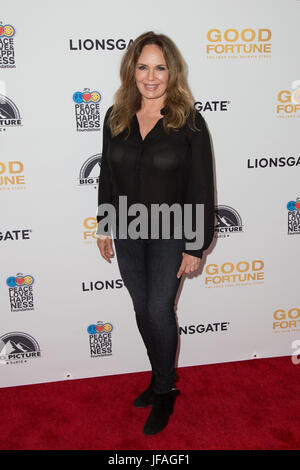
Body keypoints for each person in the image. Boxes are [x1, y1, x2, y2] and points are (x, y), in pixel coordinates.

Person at [96, 31, 215, 435]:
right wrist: (104, 224)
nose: (151, 76)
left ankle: (165, 389)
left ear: (172, 72)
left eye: (160, 67)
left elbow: (201, 187)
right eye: (143, 67)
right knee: (142, 310)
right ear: (132, 71)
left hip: (171, 232)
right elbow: (107, 178)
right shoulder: (116, 117)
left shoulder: (190, 121)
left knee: (159, 310)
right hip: (128, 229)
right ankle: (158, 376)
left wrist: (196, 244)